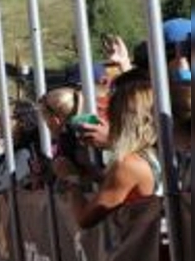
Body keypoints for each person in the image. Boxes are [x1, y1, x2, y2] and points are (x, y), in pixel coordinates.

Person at [56, 71, 161, 228]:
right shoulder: (154, 153)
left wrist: (71, 180)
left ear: (121, 117)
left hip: (141, 247)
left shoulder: (129, 164)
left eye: (110, 112)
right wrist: (96, 174)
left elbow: (84, 219)